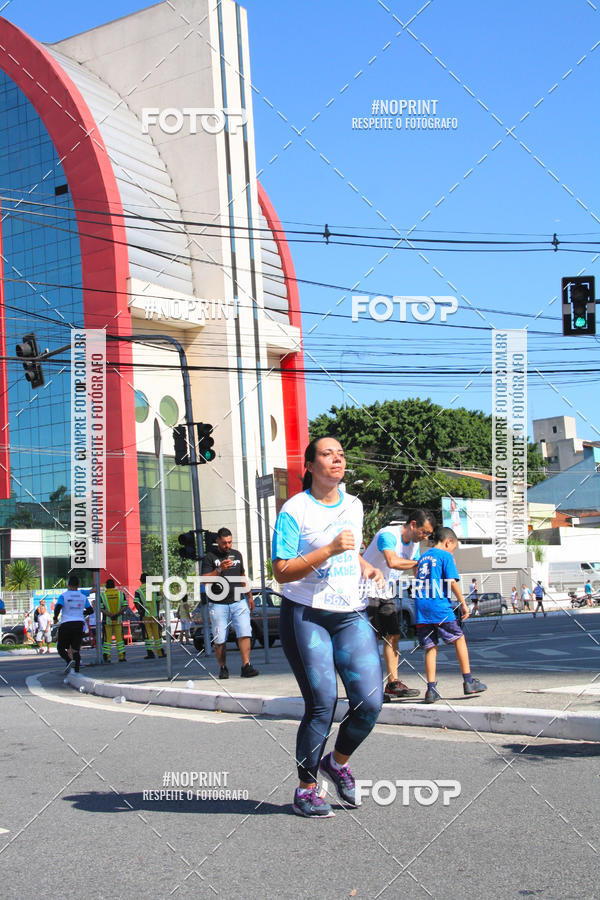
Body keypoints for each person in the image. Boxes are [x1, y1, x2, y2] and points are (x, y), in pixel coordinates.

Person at [272, 436, 385, 818]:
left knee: (369, 703)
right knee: (322, 703)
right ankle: (306, 790)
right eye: (327, 454)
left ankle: (337, 763)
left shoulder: (354, 504)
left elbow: (351, 549)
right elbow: (282, 571)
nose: (337, 460)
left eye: (340, 454)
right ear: (309, 465)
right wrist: (329, 550)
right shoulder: (295, 510)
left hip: (350, 613)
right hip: (307, 614)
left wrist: (363, 565)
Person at [362, 509, 435, 700]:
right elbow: (392, 561)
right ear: (413, 525)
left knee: (393, 635)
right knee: (370, 640)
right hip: (364, 591)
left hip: (385, 592)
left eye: (428, 534)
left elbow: (416, 568)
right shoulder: (388, 534)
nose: (425, 536)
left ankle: (393, 684)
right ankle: (369, 687)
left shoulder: (414, 545)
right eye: (424, 532)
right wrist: (416, 563)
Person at [414, 526, 487, 704]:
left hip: (421, 607)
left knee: (431, 646)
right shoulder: (446, 556)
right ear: (448, 542)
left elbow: (417, 575)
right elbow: (452, 581)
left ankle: (431, 689)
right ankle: (468, 681)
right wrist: (463, 604)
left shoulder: (423, 557)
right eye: (453, 547)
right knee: (459, 638)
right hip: (439, 605)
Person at [201, 528, 259, 678]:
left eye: (229, 542)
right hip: (218, 603)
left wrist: (250, 596)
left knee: (245, 632)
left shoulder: (237, 555)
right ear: (218, 541)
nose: (227, 545)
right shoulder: (209, 557)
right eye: (224, 542)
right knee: (220, 638)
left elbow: (242, 576)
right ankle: (223, 668)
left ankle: (246, 666)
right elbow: (205, 580)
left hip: (239, 601)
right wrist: (219, 569)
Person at [53, 575, 94, 674]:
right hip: (79, 624)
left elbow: (58, 607)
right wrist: (81, 613)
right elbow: (90, 610)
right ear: (78, 585)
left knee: (61, 647)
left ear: (68, 584)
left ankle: (68, 660)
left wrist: (55, 618)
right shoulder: (82, 596)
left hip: (66, 623)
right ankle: (76, 671)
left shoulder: (64, 596)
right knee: (76, 648)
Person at [135, 573, 165, 659]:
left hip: (145, 616)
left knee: (147, 634)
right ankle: (160, 653)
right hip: (155, 614)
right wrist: (158, 613)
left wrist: (140, 611)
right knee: (157, 634)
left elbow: (136, 602)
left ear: (141, 580)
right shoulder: (155, 589)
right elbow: (158, 601)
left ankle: (150, 653)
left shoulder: (139, 590)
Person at [101, 579, 128, 662]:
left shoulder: (102, 595)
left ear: (106, 586)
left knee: (107, 640)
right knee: (119, 639)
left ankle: (107, 657)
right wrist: (117, 614)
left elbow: (101, 608)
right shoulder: (120, 594)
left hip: (107, 621)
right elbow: (125, 606)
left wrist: (110, 615)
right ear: (114, 586)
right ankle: (122, 657)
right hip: (118, 620)